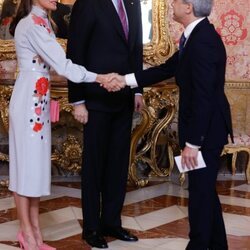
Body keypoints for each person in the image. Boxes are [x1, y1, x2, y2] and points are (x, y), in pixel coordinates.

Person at [102, 0, 233, 249]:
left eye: (177, 1)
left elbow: (205, 98)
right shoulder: (194, 36)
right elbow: (165, 69)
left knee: (199, 196)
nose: (172, 4)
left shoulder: (203, 40)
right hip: (203, 129)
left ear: (188, 7)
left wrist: (193, 143)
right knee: (204, 193)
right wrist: (125, 79)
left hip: (205, 133)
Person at [8, 0, 110, 249]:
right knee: (24, 171)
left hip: (38, 100)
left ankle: (35, 234)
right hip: (27, 103)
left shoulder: (45, 23)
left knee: (33, 170)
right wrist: (100, 77)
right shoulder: (31, 24)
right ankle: (27, 234)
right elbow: (63, 66)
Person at [67, 0, 143, 248]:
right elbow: (75, 52)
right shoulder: (87, 4)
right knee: (94, 166)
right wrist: (77, 100)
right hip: (94, 100)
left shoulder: (132, 3)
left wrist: (138, 90)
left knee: (118, 165)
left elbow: (135, 51)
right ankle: (91, 227)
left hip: (124, 99)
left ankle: (112, 222)